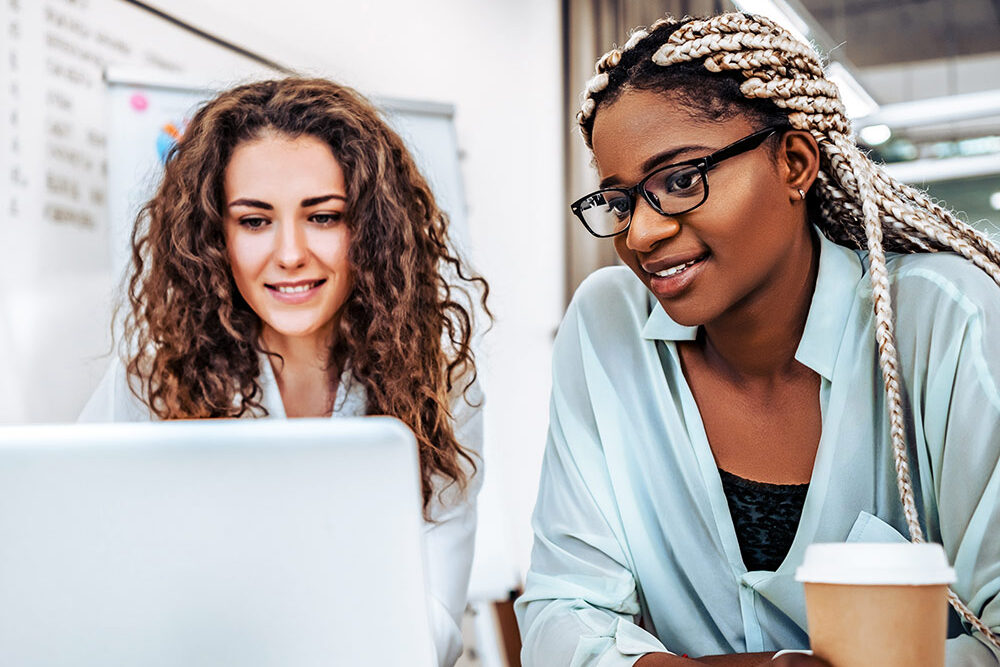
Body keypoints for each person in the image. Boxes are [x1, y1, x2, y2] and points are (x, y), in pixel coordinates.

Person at [515, 12, 1000, 666]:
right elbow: (561, 610)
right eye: (623, 201)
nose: (641, 235)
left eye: (681, 180)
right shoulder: (609, 326)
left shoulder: (945, 320)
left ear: (794, 162)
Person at [80, 77, 489, 667]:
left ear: (371, 228)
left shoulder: (440, 383)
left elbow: (434, 622)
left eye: (323, 217)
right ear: (213, 236)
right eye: (254, 221)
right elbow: (82, 563)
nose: (291, 252)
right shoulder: (153, 379)